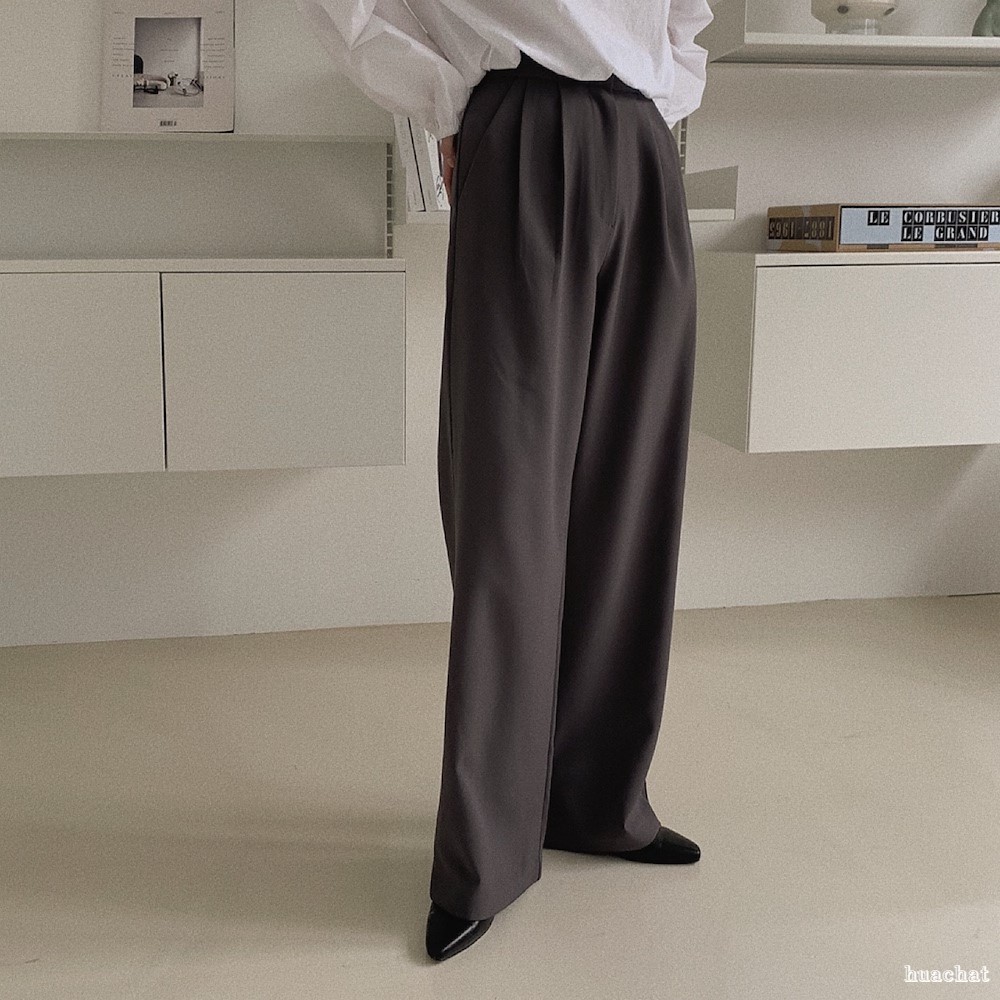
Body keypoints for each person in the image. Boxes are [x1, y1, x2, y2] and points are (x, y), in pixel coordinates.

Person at [293, 0, 713, 962]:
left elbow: (686, 14)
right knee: (509, 508)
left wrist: (661, 93)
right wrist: (448, 100)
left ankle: (601, 802)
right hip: (522, 123)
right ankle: (486, 852)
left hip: (645, 144)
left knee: (632, 488)